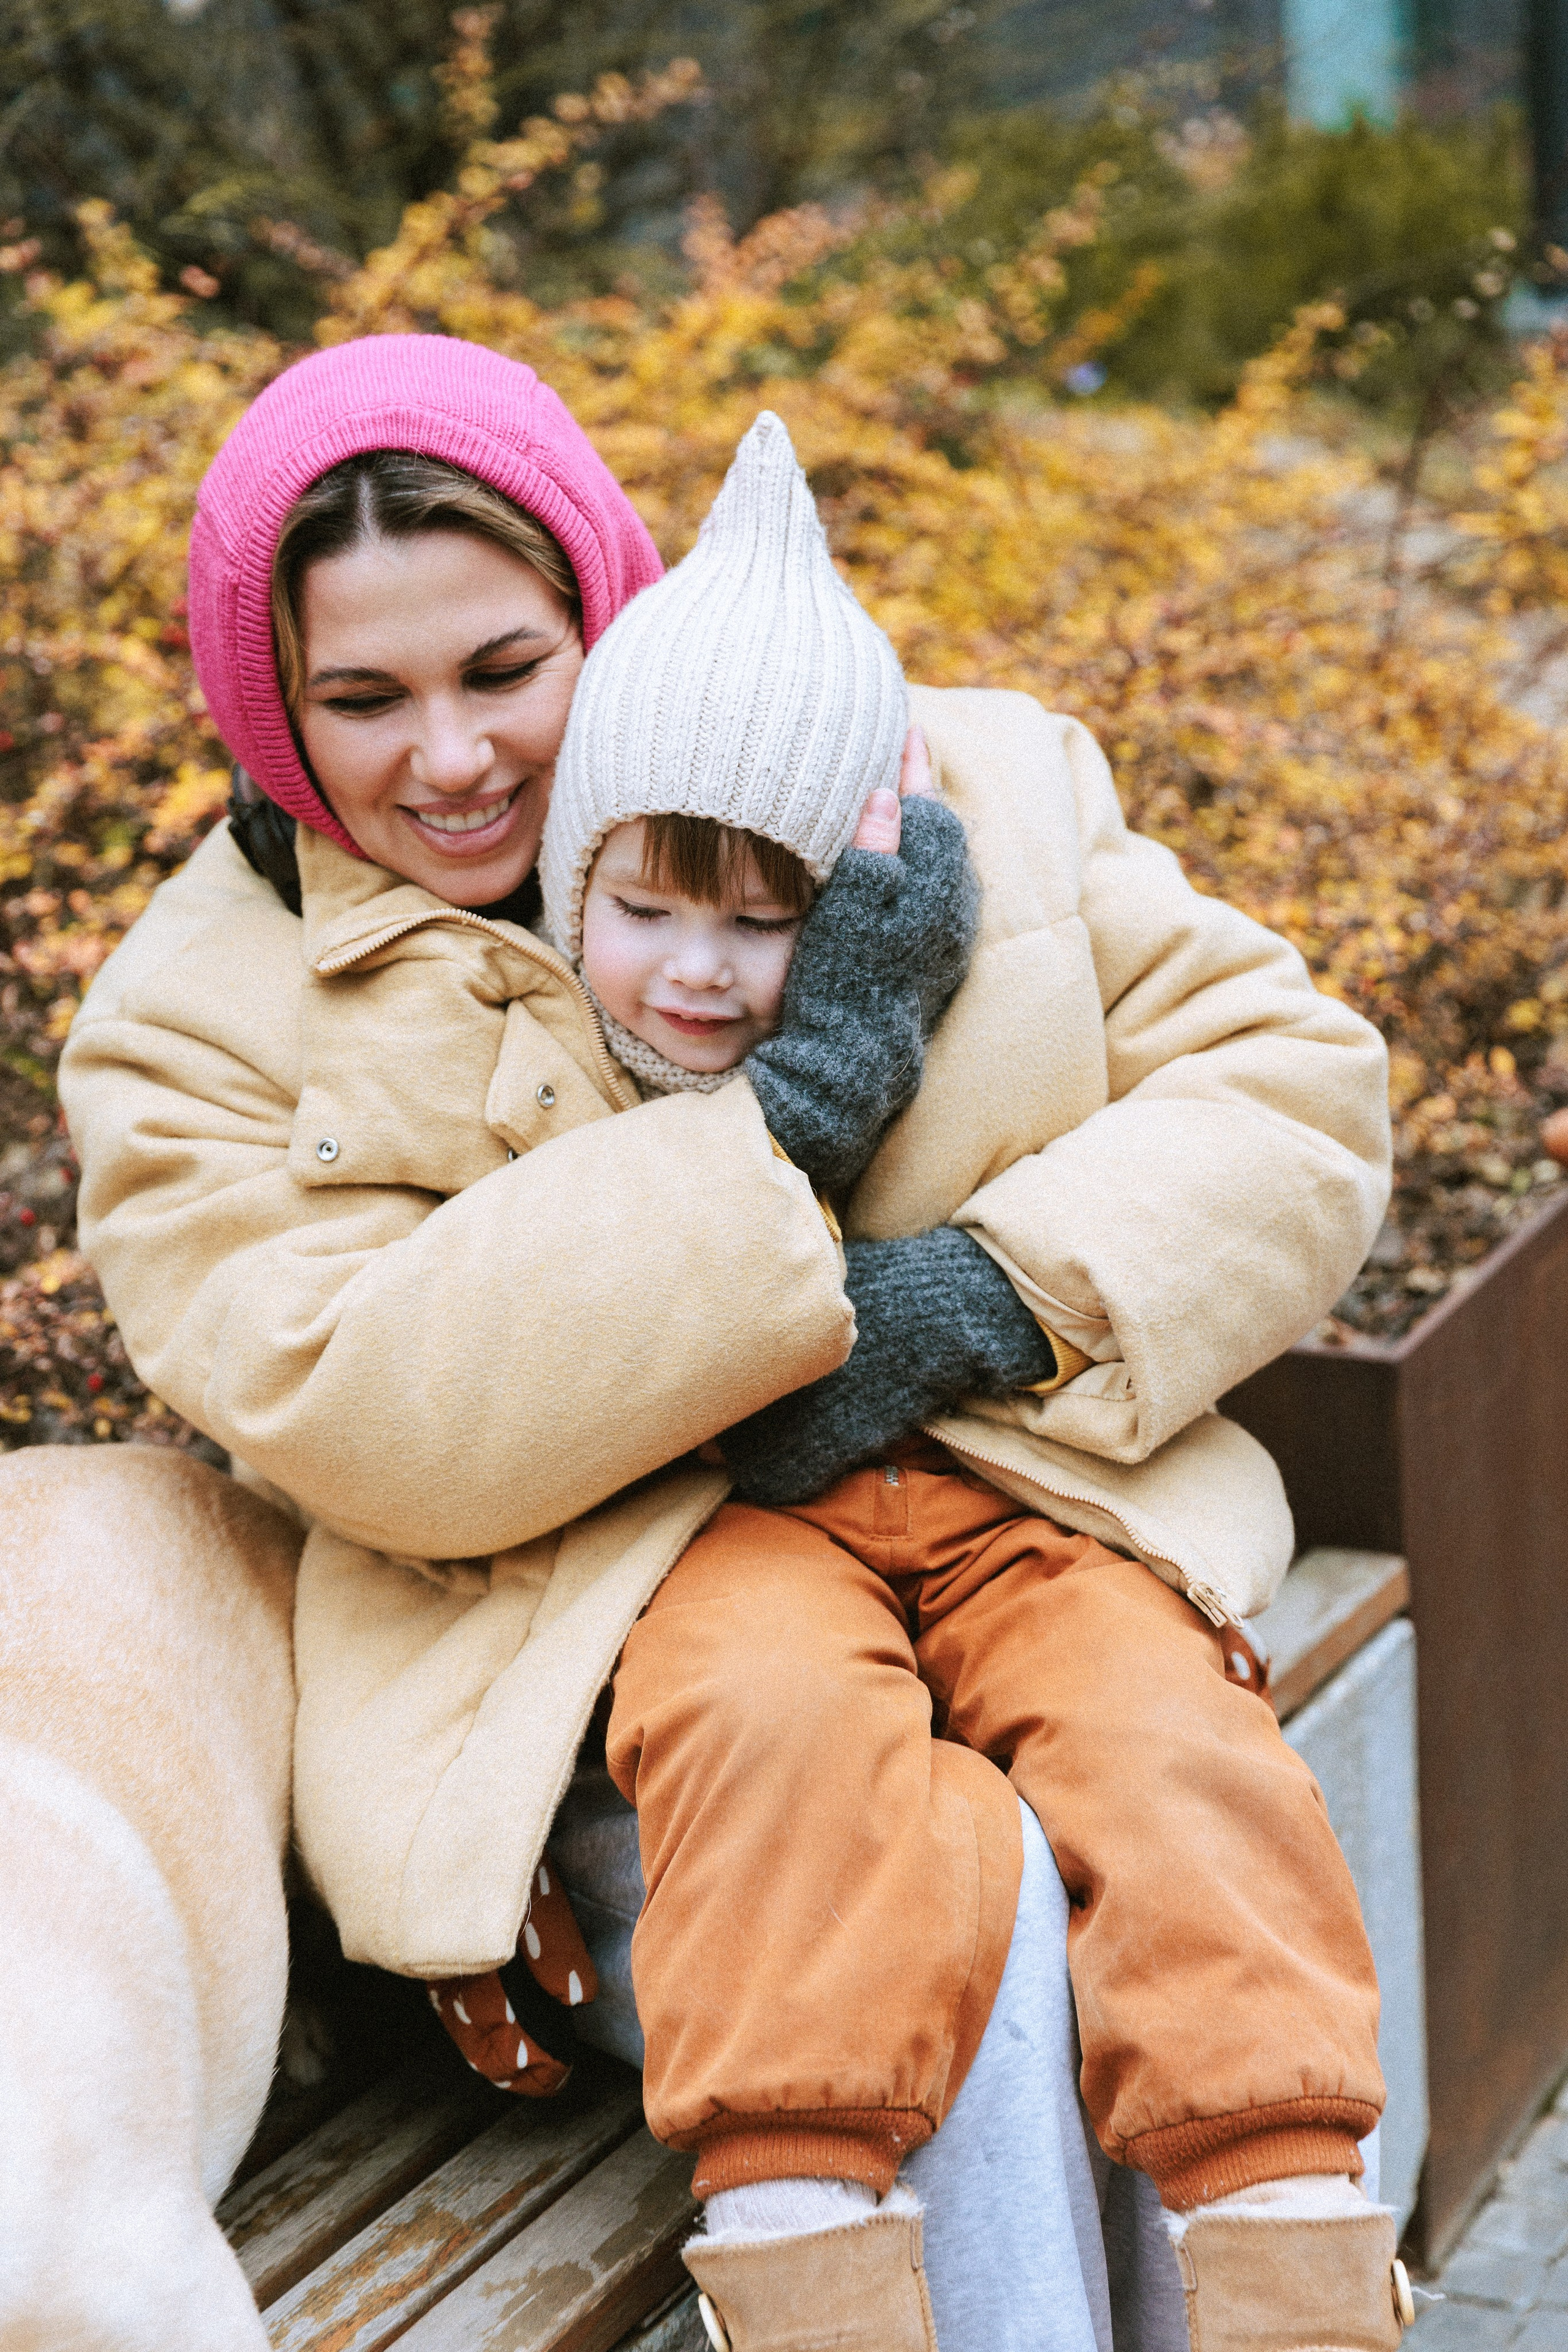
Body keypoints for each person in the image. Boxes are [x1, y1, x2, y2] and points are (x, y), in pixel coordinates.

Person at [58, 336, 1402, 2351]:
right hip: (586, 1689)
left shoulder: (966, 782)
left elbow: (1292, 1092)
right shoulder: (197, 1027)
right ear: (273, 712)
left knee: (1168, 1839)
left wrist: (986, 1297)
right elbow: (367, 1406)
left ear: (603, 604)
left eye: (503, 670)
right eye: (362, 700)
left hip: (1034, 1550)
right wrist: (786, 1126)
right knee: (964, 1908)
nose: (449, 758)